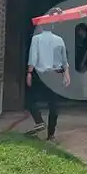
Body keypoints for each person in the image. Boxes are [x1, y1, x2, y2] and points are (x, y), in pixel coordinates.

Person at [26, 8, 70, 142]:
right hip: (55, 75)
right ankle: (51, 135)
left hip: (41, 75)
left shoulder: (36, 39)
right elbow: (64, 60)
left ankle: (39, 121)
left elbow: (33, 57)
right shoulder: (59, 40)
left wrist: (29, 73)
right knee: (54, 105)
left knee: (30, 100)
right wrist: (66, 75)